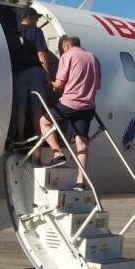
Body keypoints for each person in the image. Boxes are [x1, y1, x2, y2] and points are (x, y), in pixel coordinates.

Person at [40, 36, 101, 191]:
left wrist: (51, 83)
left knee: (44, 122)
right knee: (82, 142)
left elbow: (59, 85)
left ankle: (57, 153)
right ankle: (80, 182)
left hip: (69, 104)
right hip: (88, 107)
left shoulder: (68, 56)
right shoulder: (93, 58)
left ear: (66, 46)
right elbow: (98, 85)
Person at [11, 7, 50, 147]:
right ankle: (40, 138)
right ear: (28, 16)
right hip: (34, 71)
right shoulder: (36, 31)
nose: (37, 20)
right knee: (37, 108)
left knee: (20, 107)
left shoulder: (13, 33)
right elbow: (42, 54)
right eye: (35, 17)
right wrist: (47, 74)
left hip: (17, 73)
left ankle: (20, 137)